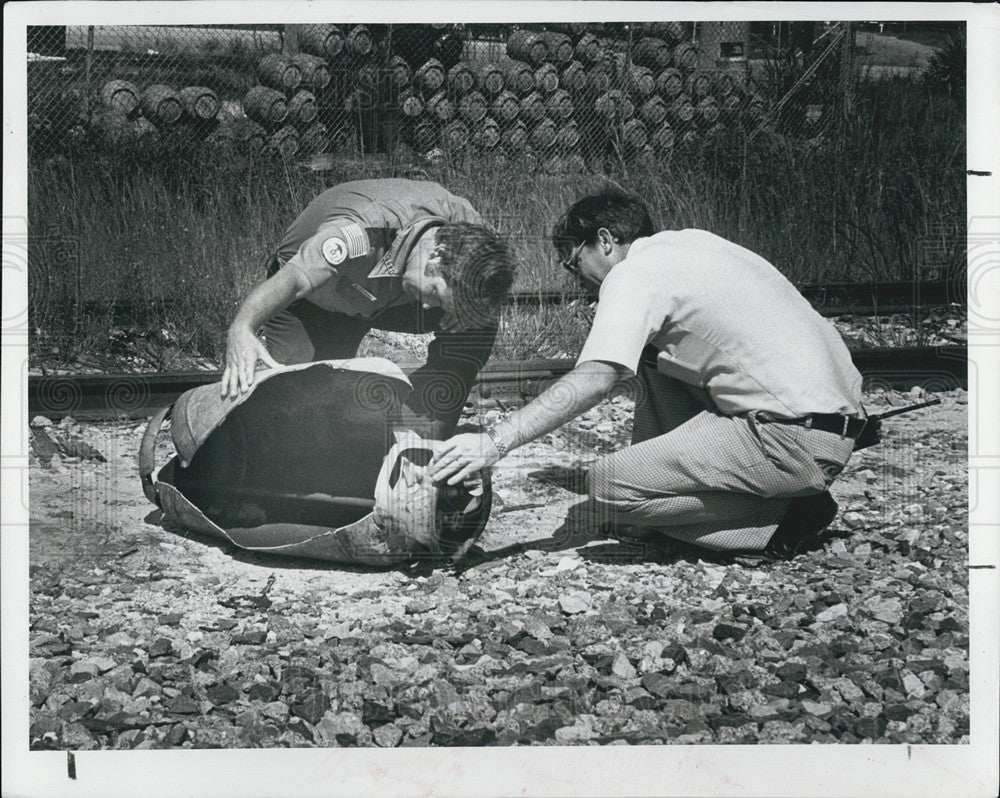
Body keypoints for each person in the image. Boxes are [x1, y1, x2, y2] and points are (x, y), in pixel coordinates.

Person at [429, 187, 866, 559]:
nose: (575, 278)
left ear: (604, 240)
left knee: (608, 488)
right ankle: (722, 490)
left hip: (789, 438)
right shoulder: (692, 245)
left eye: (572, 261)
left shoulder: (633, 275)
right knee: (651, 360)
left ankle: (783, 518)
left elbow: (597, 377)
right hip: (835, 423)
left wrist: (496, 441)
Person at [222, 178, 515, 438]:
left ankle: (417, 427)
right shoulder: (361, 232)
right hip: (314, 300)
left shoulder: (471, 234)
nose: (428, 308)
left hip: (388, 294)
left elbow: (496, 280)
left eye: (439, 302)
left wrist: (466, 311)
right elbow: (296, 278)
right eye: (436, 294)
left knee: (479, 323)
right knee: (303, 414)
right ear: (437, 255)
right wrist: (242, 327)